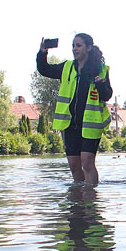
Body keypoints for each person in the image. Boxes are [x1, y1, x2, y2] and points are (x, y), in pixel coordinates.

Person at [37, 33, 112, 185]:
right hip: (69, 124)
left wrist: (101, 84)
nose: (75, 49)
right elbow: (44, 70)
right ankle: (78, 202)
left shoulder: (101, 69)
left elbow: (107, 95)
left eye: (79, 45)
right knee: (74, 166)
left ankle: (91, 200)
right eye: (73, 46)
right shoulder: (66, 67)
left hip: (91, 124)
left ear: (89, 47)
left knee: (87, 163)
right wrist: (43, 52)